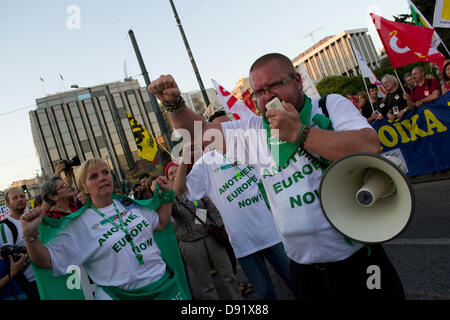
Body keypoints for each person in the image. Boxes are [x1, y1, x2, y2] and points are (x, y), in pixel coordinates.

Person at [149, 53, 405, 300]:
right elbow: (200, 133)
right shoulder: (254, 129)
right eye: (259, 91)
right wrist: (175, 105)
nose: (267, 96)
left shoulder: (328, 106)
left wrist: (300, 133)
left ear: (297, 80)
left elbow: (368, 146)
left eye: (274, 85)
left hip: (361, 259)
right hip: (304, 268)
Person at [19, 158, 190, 300]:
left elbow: (160, 223)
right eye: (93, 176)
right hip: (124, 296)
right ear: (84, 187)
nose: (102, 178)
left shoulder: (129, 204)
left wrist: (167, 196)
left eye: (105, 172)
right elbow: (47, 261)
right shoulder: (78, 224)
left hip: (166, 287)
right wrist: (30, 235)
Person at [173, 111, 297, 300]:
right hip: (243, 242)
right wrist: (184, 157)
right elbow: (179, 190)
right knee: (264, 293)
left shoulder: (251, 147)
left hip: (272, 232)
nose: (227, 132)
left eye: (229, 126)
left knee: (295, 280)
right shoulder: (207, 162)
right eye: (220, 128)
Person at [163, 160, 242, 300]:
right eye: (171, 173)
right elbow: (168, 215)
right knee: (206, 284)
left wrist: (221, 226)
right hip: (190, 244)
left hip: (211, 236)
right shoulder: (168, 197)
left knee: (228, 275)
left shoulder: (194, 186)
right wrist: (167, 195)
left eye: (177, 170)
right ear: (167, 177)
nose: (175, 175)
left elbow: (211, 206)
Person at [0, 188, 40, 300]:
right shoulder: (5, 226)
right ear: (7, 204)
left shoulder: (35, 219)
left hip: (47, 275)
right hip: (30, 283)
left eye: (22, 196)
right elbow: (13, 261)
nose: (20, 200)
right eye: (15, 198)